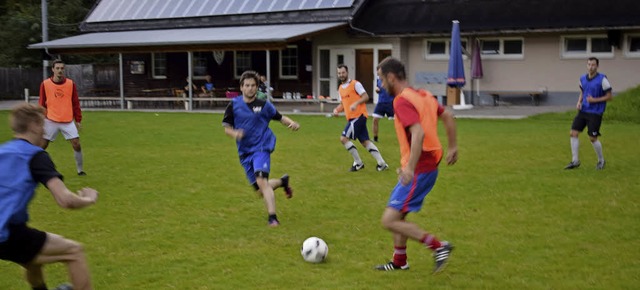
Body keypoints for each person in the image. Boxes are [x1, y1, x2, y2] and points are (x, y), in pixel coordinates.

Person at [0, 103, 99, 290]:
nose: (45, 130)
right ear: (34, 125)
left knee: (32, 256)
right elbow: (66, 200)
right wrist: (89, 198)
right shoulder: (35, 156)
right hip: (5, 234)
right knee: (74, 251)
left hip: (12, 230)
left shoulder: (3, 151)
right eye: (43, 125)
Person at [374, 57, 457, 273]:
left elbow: (418, 132)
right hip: (427, 166)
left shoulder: (401, 100)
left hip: (420, 169)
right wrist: (452, 147)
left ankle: (438, 246)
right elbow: (447, 115)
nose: (382, 85)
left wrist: (410, 167)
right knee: (398, 213)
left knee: (389, 220)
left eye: (382, 80)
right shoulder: (423, 95)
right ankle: (399, 261)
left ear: (391, 78)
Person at [222, 70, 300, 227]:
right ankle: (282, 181)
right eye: (247, 85)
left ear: (257, 87)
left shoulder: (264, 105)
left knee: (262, 181)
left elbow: (279, 117)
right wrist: (235, 133)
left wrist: (291, 123)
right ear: (241, 87)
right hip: (244, 153)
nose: (250, 88)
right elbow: (226, 127)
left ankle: (272, 217)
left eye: (253, 85)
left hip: (261, 148)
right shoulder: (234, 105)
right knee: (260, 190)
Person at [332, 64, 388, 172]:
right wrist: (336, 110)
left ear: (347, 72)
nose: (341, 75)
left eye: (343, 72)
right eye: (339, 73)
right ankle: (382, 163)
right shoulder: (340, 88)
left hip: (358, 116)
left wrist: (356, 103)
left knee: (343, 139)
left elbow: (366, 96)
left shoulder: (355, 84)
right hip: (352, 118)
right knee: (365, 141)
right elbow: (343, 104)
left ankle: (358, 163)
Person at [38, 59, 86, 176]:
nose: (60, 70)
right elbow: (41, 103)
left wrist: (78, 119)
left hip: (67, 120)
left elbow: (75, 102)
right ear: (53, 69)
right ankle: (32, 166)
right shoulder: (45, 84)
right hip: (50, 120)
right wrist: (40, 119)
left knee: (76, 144)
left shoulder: (70, 84)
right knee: (42, 145)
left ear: (64, 70)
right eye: (57, 68)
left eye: (62, 68)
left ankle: (80, 170)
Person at [565, 57, 612, 170]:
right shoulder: (582, 79)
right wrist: (579, 102)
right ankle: (575, 161)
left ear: (597, 66)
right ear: (587, 66)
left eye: (593, 65)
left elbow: (609, 97)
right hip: (583, 111)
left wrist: (594, 100)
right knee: (573, 133)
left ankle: (601, 161)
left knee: (592, 138)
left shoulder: (602, 79)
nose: (591, 67)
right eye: (589, 64)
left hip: (595, 113)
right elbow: (583, 92)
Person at [372, 77, 395, 142]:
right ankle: (375, 138)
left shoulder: (391, 78)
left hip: (390, 103)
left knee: (398, 122)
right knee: (375, 120)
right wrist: (377, 89)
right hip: (381, 103)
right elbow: (377, 87)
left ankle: (405, 138)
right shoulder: (378, 79)